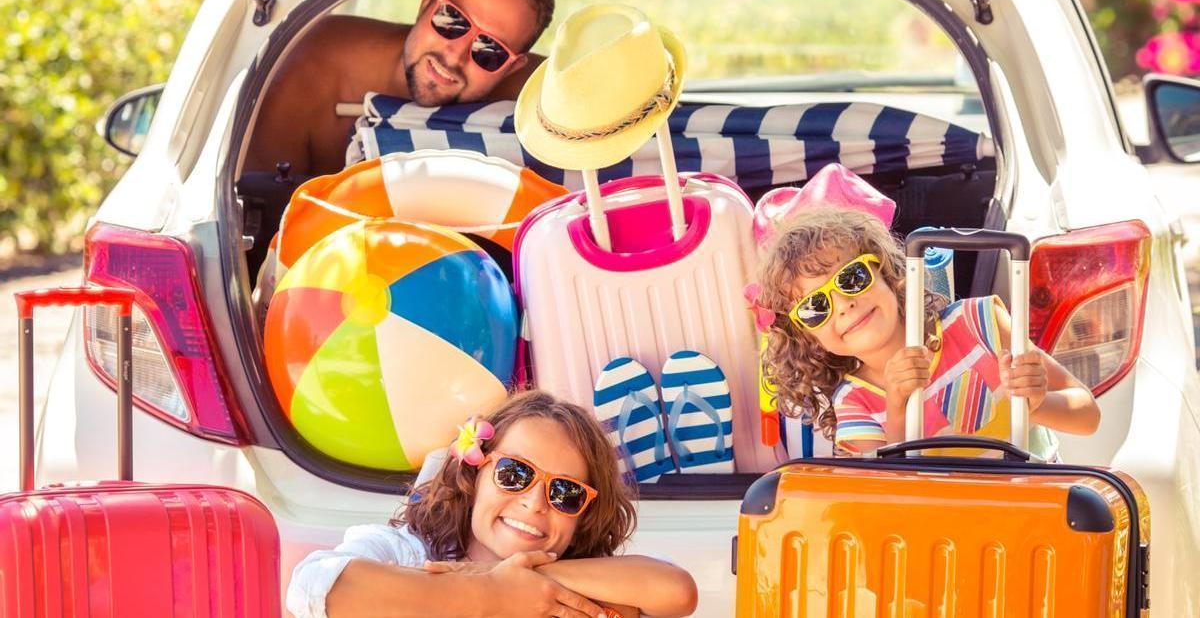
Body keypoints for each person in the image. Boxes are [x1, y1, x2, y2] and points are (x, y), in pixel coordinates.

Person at [286, 391, 698, 618]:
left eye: (565, 493)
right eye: (515, 473)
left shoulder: (584, 582)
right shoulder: (405, 551)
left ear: (583, 516)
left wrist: (524, 578)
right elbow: (313, 588)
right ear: (474, 473)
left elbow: (676, 590)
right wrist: (491, 593)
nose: (535, 503)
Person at [751, 207, 1101, 458]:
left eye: (852, 278)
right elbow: (893, 495)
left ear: (886, 271)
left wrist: (1037, 404)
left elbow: (1087, 415)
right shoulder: (855, 404)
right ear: (806, 337)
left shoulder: (979, 322)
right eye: (815, 307)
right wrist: (897, 407)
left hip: (1038, 517)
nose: (843, 305)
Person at [247, 0, 554, 178]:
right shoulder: (311, 65)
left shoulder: (548, 101)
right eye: (452, 20)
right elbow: (257, 210)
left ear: (512, 67)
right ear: (426, 3)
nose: (455, 56)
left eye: (490, 51)